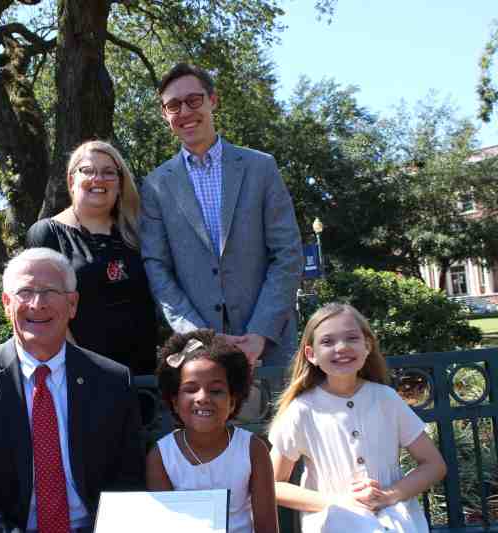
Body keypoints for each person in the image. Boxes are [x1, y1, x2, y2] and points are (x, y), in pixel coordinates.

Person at [0, 247, 145, 533]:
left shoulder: (112, 381)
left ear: (72, 304)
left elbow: (128, 483)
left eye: (49, 291)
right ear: (7, 304)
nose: (37, 303)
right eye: (25, 292)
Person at [139, 63, 303, 368]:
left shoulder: (261, 168)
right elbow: (157, 269)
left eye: (194, 100)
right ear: (165, 115)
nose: (185, 111)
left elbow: (288, 253)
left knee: (278, 419)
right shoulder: (155, 186)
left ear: (213, 100)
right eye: (173, 105)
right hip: (198, 356)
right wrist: (201, 337)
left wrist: (259, 333)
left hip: (270, 347)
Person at [268, 303, 447, 533]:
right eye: (327, 342)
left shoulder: (385, 399)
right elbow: (272, 484)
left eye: (352, 338)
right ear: (311, 355)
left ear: (367, 346)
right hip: (333, 519)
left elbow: (434, 464)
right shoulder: (302, 410)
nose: (341, 347)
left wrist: (387, 496)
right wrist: (337, 502)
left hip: (394, 517)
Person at [27, 140, 157, 375]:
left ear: (120, 183)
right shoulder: (47, 234)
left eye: (109, 172)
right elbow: (43, 310)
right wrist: (81, 370)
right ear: (71, 180)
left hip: (144, 377)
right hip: (84, 376)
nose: (98, 179)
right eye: (87, 171)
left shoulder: (138, 232)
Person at [145, 329, 278, 533]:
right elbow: (164, 525)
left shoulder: (252, 450)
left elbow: (267, 526)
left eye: (216, 391)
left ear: (233, 402)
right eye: (190, 389)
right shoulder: (161, 456)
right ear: (175, 402)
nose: (203, 398)